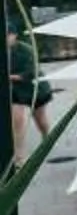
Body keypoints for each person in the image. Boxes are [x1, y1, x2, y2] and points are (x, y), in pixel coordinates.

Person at [6, 11, 50, 152]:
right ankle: (18, 154)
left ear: (14, 35)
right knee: (17, 121)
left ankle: (46, 138)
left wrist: (11, 77)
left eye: (7, 35)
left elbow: (31, 72)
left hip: (34, 88)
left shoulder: (26, 50)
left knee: (40, 120)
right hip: (16, 91)